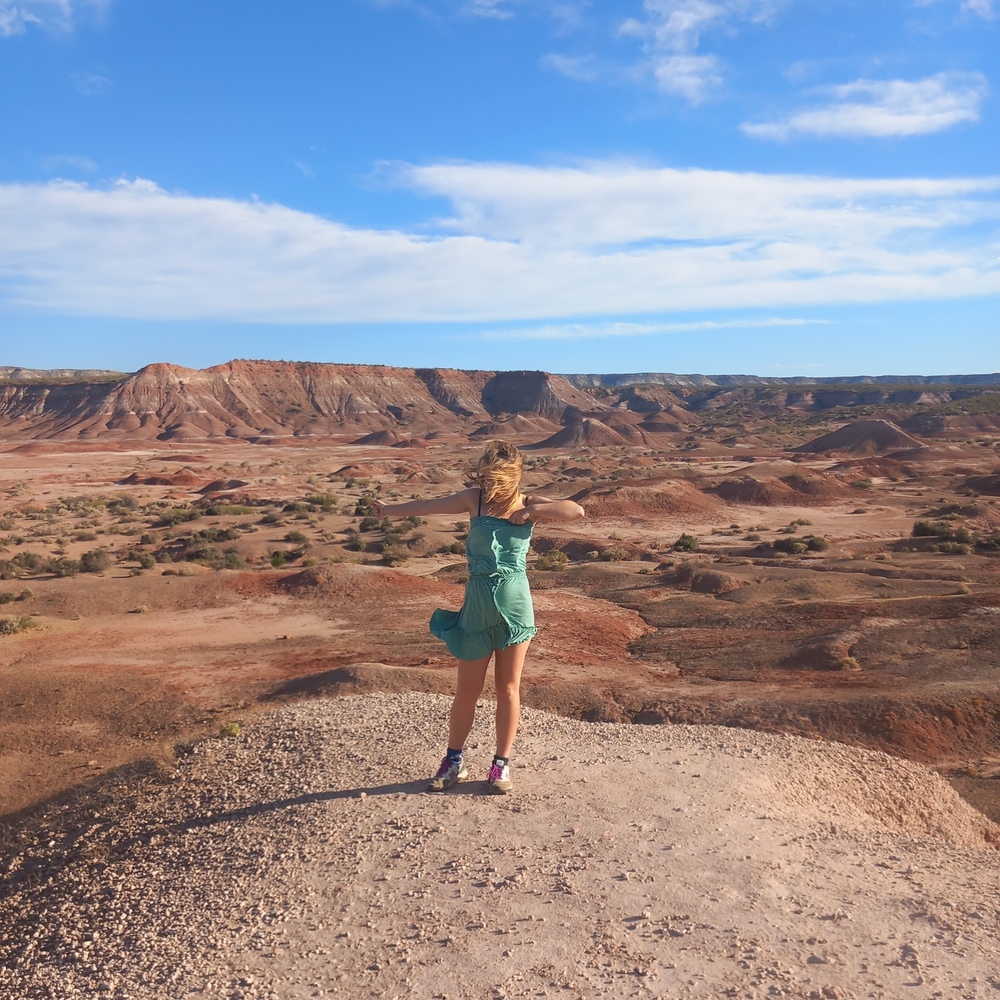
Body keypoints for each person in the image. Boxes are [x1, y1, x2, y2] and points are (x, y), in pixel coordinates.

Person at [372, 440, 585, 795]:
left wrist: (531, 513)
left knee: (507, 688)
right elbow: (429, 506)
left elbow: (576, 511)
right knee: (466, 691)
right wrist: (389, 510)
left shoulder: (528, 502)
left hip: (515, 606)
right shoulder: (475, 499)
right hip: (476, 603)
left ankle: (500, 766)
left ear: (511, 477)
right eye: (484, 476)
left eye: (494, 478)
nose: (488, 484)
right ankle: (453, 761)